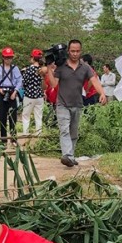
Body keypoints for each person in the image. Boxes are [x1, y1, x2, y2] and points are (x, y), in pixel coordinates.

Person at [46, 40, 107, 168]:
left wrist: (102, 93)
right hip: (62, 103)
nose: (75, 53)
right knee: (64, 130)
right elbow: (53, 84)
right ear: (68, 51)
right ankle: (67, 155)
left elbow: (94, 80)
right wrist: (49, 70)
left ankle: (71, 157)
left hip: (77, 104)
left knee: (73, 132)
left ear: (81, 51)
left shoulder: (85, 68)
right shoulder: (61, 67)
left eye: (77, 51)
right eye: (72, 51)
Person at [0, 47, 23, 143]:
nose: (8, 59)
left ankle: (14, 138)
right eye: (6, 57)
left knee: (13, 117)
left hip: (12, 92)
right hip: (1, 92)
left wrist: (15, 92)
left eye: (10, 57)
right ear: (3, 58)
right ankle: (3, 139)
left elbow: (19, 81)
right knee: (2, 116)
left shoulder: (15, 68)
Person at [20, 49, 45, 136]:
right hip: (39, 95)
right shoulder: (42, 70)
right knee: (38, 116)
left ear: (32, 58)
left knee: (26, 115)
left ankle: (25, 133)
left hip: (29, 95)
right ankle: (38, 134)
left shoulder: (29, 70)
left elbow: (24, 82)